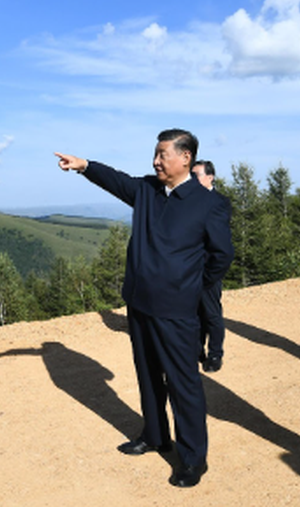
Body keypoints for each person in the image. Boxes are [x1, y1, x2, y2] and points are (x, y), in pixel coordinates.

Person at [55, 129, 234, 488]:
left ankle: (193, 458)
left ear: (185, 158)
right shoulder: (148, 191)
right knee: (148, 374)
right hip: (139, 303)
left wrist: (191, 287)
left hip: (177, 309)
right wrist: (85, 166)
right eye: (155, 154)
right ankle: (154, 435)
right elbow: (115, 180)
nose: (155, 161)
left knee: (183, 383)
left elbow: (221, 256)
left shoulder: (209, 203)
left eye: (162, 154)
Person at [191, 159, 227, 373]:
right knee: (194, 313)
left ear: (210, 177)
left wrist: (212, 272)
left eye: (197, 175)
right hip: (189, 268)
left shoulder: (220, 202)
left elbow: (219, 243)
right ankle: (196, 350)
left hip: (208, 268)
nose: (193, 179)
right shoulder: (189, 201)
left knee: (211, 313)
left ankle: (215, 354)